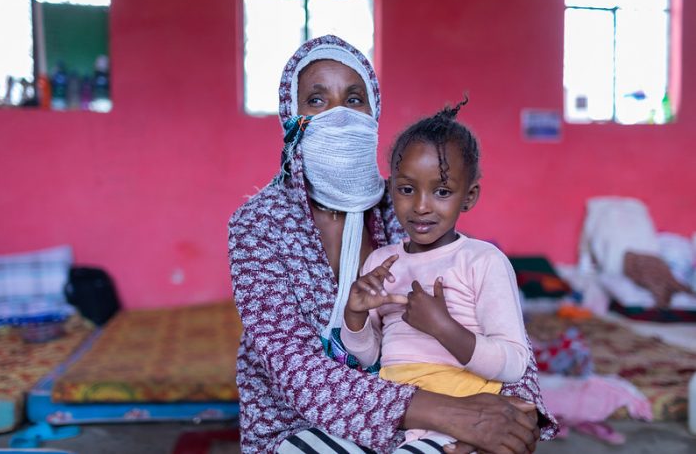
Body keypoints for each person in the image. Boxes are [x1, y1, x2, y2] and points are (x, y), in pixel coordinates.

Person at [228, 35, 557, 454]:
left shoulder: (404, 205)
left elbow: (497, 320)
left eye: (353, 99)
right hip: (304, 423)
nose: (339, 116)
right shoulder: (259, 225)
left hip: (431, 408)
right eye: (315, 101)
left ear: (374, 112)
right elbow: (298, 371)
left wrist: (517, 411)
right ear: (291, 116)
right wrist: (453, 414)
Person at [341, 100, 532, 447]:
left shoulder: (482, 261)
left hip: (462, 404)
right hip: (398, 407)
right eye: (407, 189)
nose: (421, 205)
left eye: (442, 191)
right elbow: (369, 357)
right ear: (392, 189)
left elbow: (516, 363)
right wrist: (354, 316)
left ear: (469, 196)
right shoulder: (381, 262)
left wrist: (443, 328)